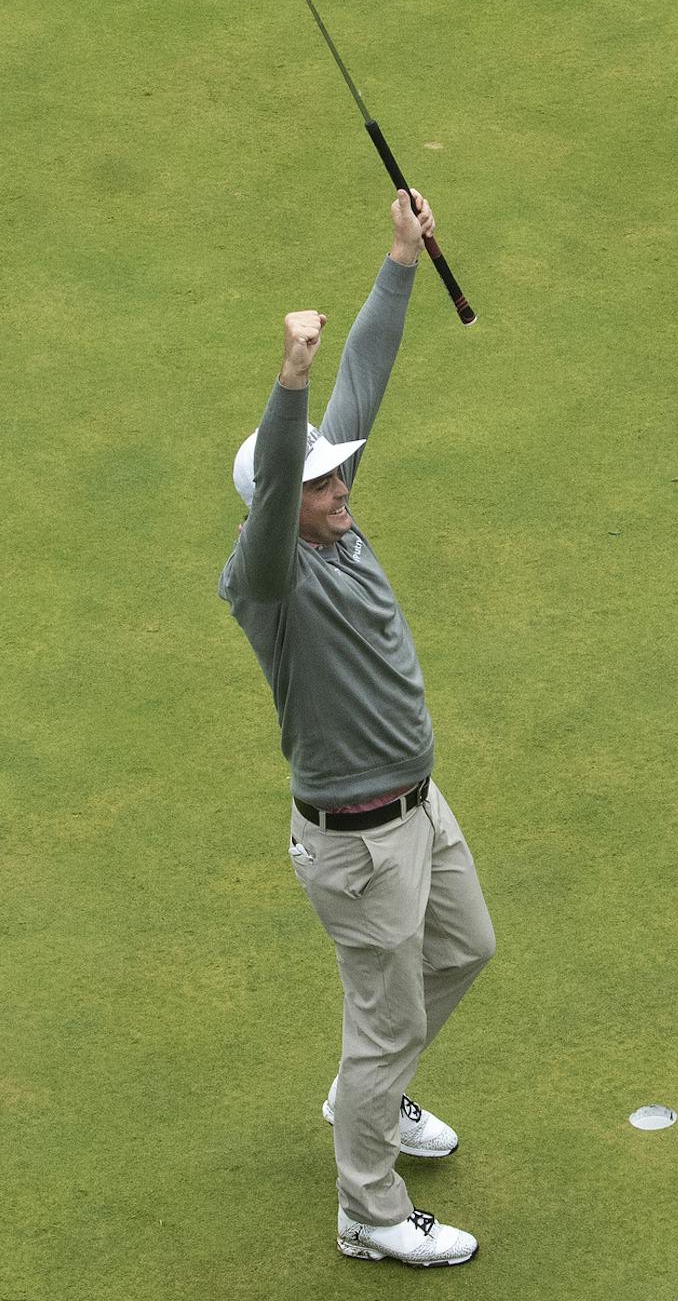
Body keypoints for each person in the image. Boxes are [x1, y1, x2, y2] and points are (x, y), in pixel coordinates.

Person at [218, 189, 495, 1268]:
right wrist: (286, 383)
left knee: (467, 947)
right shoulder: (270, 578)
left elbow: (364, 381)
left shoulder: (333, 523)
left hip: (419, 808)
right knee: (382, 1023)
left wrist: (397, 264)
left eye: (340, 473)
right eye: (321, 479)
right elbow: (291, 459)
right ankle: (369, 1210)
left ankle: (365, 1095)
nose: (340, 487)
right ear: (281, 500)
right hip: (357, 837)